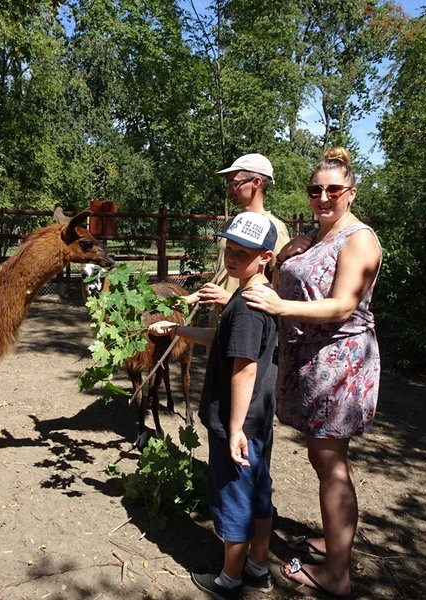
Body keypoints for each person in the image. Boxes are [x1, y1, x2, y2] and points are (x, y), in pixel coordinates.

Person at [241, 147, 382, 598]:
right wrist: (285, 254)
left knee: (331, 462)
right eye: (315, 190)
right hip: (309, 361)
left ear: (351, 193)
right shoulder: (317, 236)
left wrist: (281, 306)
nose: (323, 197)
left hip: (338, 363)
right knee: (323, 459)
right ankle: (333, 542)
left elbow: (342, 304)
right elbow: (295, 274)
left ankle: (336, 574)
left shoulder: (358, 239)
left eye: (333, 190)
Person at [149, 211, 280, 600]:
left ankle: (229, 580)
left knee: (234, 497)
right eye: (230, 249)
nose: (233, 258)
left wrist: (234, 427)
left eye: (244, 252)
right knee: (259, 491)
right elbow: (221, 338)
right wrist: (176, 329)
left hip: (235, 422)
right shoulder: (255, 296)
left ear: (265, 258)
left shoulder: (244, 307)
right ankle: (258, 566)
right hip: (259, 418)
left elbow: (243, 368)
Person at [184, 153, 291, 327]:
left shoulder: (274, 229)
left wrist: (231, 299)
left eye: (234, 184)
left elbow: (281, 289)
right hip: (222, 325)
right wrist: (188, 299)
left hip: (247, 326)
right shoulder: (231, 225)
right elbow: (223, 277)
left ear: (256, 183)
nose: (228, 191)